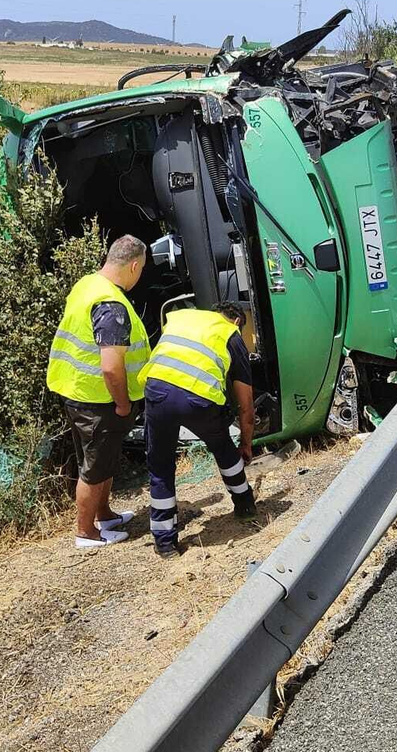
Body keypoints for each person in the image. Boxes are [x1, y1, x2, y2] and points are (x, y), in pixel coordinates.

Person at [48, 236, 150, 549]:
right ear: (133, 266)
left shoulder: (88, 284)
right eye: (141, 269)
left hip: (78, 390)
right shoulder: (111, 305)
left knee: (101, 461)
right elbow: (110, 366)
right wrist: (122, 403)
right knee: (93, 469)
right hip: (99, 399)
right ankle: (86, 533)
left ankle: (104, 515)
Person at [141, 302, 257, 558]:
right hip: (198, 398)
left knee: (160, 468)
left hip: (157, 392)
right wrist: (246, 444)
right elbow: (246, 406)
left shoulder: (181, 318)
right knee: (224, 450)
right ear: (237, 321)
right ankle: (246, 506)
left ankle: (165, 544)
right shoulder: (230, 335)